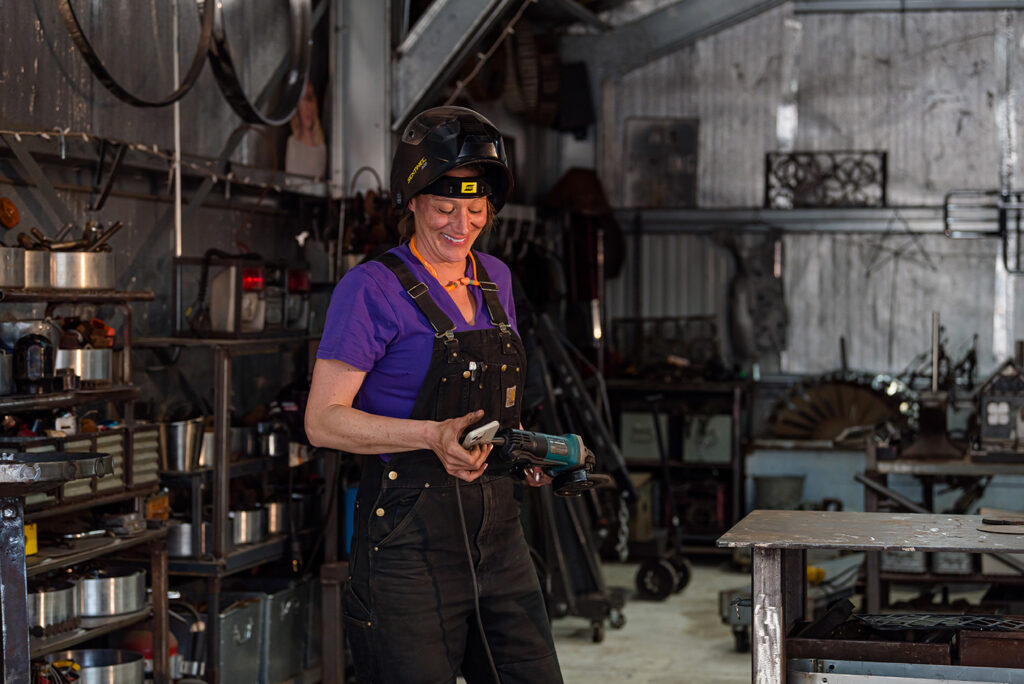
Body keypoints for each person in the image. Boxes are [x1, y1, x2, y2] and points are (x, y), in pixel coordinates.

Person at [305, 106, 563, 684]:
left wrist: (525, 456)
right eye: (446, 207)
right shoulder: (370, 289)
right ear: (413, 200)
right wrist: (429, 436)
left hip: (499, 537)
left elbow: (492, 415)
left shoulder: (495, 278)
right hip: (406, 545)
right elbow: (322, 422)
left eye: (476, 210)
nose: (461, 224)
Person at [285, 82, 327, 178]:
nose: (307, 108)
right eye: (302, 101)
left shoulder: (322, 147)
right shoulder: (292, 143)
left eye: (309, 99)